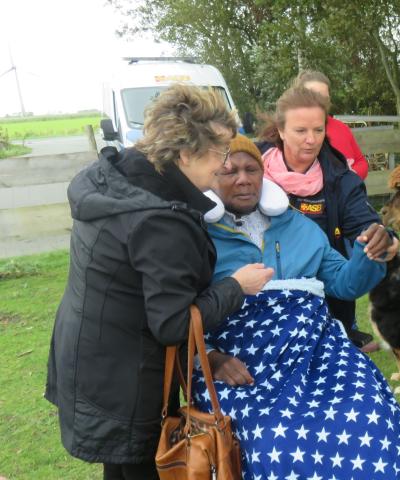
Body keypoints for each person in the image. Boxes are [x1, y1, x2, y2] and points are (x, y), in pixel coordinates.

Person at [45, 86, 273, 479]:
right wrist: (237, 286)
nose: (224, 165)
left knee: (120, 469)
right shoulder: (161, 220)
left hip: (90, 355)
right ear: (184, 153)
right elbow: (172, 324)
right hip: (127, 379)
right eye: (219, 152)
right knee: (139, 467)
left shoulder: (114, 177)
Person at [195, 135, 400, 479]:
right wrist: (210, 358)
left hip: (317, 349)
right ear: (211, 177)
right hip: (242, 363)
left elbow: (345, 282)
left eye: (252, 169)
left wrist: (370, 252)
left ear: (264, 175)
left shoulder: (299, 226)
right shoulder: (196, 236)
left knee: (369, 412)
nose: (243, 179)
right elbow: (180, 313)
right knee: (276, 440)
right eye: (229, 171)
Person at [258, 86, 398, 353]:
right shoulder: (249, 169)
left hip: (325, 308)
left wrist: (382, 237)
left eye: (318, 130)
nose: (311, 140)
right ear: (280, 130)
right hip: (258, 310)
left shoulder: (342, 180)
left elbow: (366, 224)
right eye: (301, 131)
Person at [293, 69, 369, 179]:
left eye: (325, 99)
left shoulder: (341, 128)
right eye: (314, 97)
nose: (321, 103)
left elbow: (361, 162)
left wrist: (350, 177)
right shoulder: (290, 130)